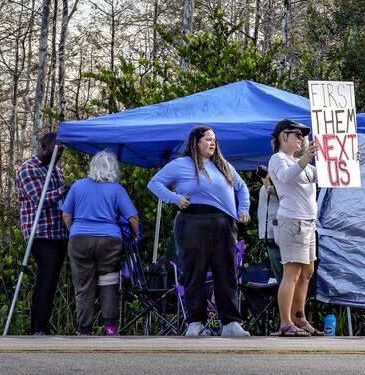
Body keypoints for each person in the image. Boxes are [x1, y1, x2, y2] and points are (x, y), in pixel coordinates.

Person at [148, 126, 251, 337]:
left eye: (214, 140)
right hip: (193, 221)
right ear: (196, 142)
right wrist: (175, 199)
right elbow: (154, 183)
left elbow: (242, 188)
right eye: (208, 140)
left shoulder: (223, 166)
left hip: (223, 224)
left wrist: (243, 209)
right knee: (194, 273)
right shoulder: (181, 164)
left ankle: (231, 323)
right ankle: (195, 322)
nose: (213, 143)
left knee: (227, 272)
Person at [61, 150, 139, 336]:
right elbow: (133, 217)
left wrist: (74, 231)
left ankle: (84, 330)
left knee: (83, 285)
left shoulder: (78, 186)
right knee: (109, 283)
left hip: (79, 239)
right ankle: (110, 328)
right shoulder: (116, 189)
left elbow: (66, 214)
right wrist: (135, 235)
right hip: (109, 242)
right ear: (114, 168)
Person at [266, 118, 322, 337]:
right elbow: (285, 178)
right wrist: (305, 158)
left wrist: (347, 160)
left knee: (307, 272)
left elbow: (329, 175)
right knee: (292, 272)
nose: (301, 139)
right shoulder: (278, 159)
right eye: (297, 134)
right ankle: (286, 322)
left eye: (302, 135)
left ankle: (300, 317)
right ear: (283, 137)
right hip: (292, 221)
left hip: (308, 221)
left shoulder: (301, 163)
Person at [16, 132, 68, 335]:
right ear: (45, 146)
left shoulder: (57, 170)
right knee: (46, 277)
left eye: (62, 151)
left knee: (53, 278)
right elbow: (39, 199)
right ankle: (38, 328)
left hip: (58, 232)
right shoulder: (27, 169)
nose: (59, 155)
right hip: (39, 232)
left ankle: (44, 325)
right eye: (56, 150)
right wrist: (64, 190)